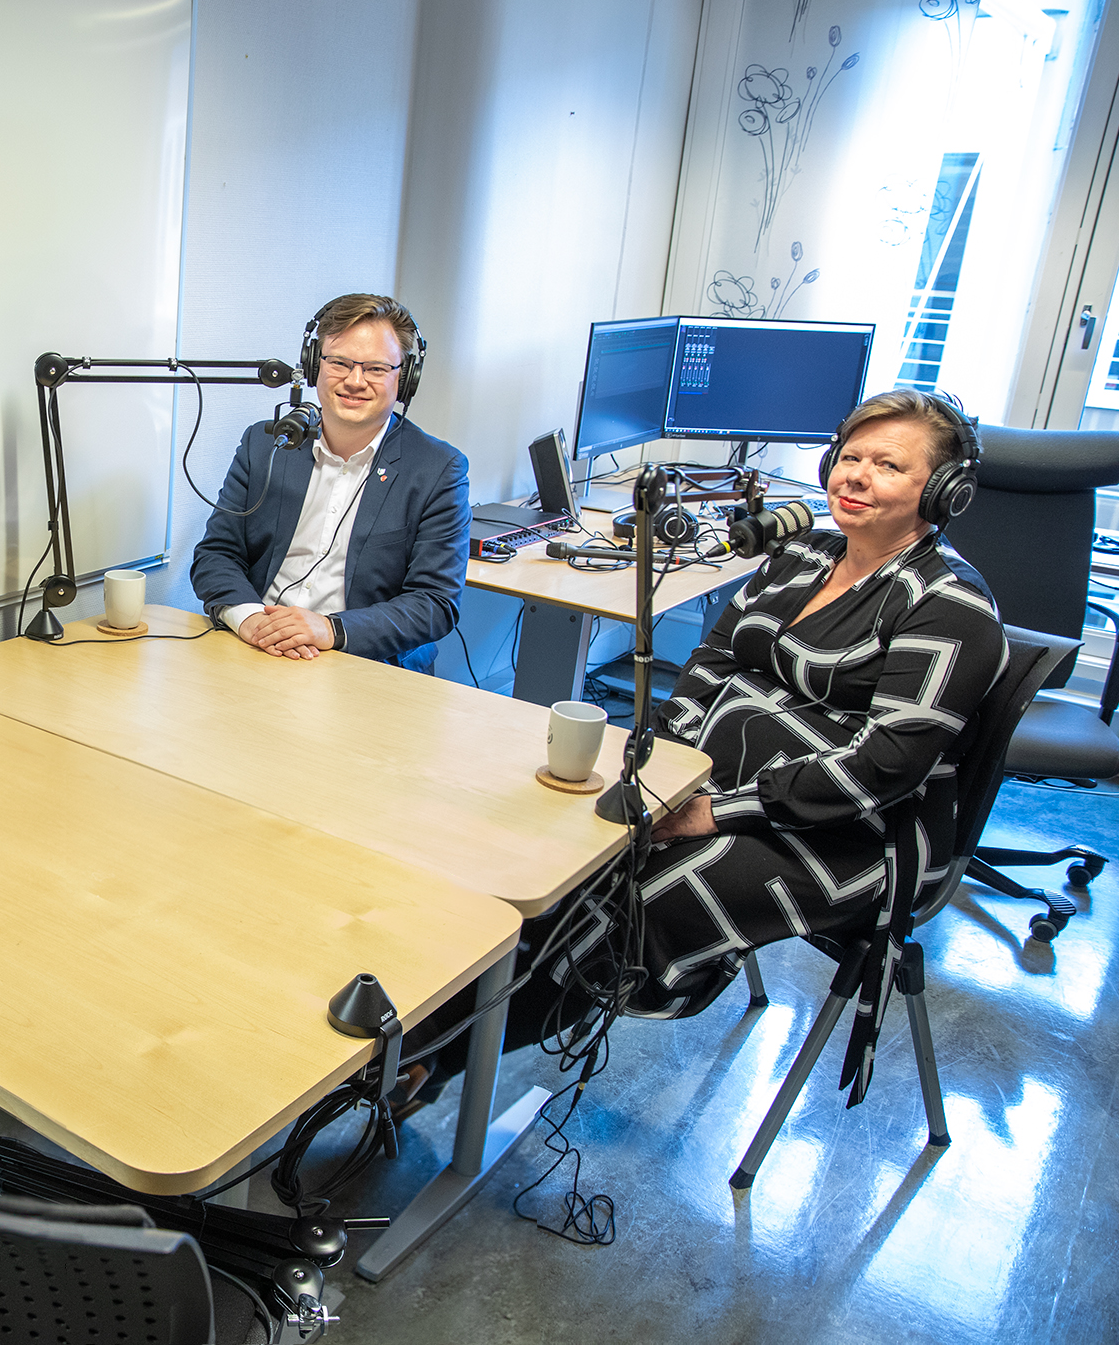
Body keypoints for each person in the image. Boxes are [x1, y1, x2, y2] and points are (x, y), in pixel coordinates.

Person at [397, 389, 1006, 1107]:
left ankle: (432, 1062)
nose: (856, 475)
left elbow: (883, 769)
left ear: (942, 490)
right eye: (849, 457)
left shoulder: (950, 604)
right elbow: (712, 665)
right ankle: (429, 1024)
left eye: (888, 465)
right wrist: (667, 765)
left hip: (853, 836)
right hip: (712, 788)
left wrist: (714, 812)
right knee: (553, 847)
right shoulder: (805, 553)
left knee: (633, 898)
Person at [190, 294, 470, 673]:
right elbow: (216, 554)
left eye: (375, 368)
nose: (355, 381)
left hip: (365, 666)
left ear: (403, 378)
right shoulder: (266, 444)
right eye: (339, 363)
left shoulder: (437, 469)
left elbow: (434, 602)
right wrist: (250, 619)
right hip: (258, 651)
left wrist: (330, 629)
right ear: (312, 366)